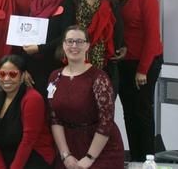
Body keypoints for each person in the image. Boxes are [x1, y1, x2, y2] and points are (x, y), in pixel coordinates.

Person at [112, 0, 163, 162]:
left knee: (142, 113)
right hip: (124, 62)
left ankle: (148, 161)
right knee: (128, 113)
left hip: (145, 62)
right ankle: (136, 159)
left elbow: (153, 34)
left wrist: (143, 69)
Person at [49, 26, 124, 168]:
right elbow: (54, 119)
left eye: (79, 41)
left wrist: (89, 158)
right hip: (68, 148)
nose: (74, 46)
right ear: (64, 45)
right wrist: (65, 155)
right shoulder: (54, 77)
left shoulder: (99, 78)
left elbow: (106, 122)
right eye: (70, 41)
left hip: (100, 149)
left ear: (87, 46)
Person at [63, 0, 125, 95]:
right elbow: (66, 32)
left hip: (106, 64)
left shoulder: (111, 2)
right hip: (76, 64)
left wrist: (119, 48)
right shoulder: (72, 3)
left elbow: (118, 30)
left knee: (104, 108)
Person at [0, 55, 55, 169]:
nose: (6, 79)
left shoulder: (33, 99)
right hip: (4, 156)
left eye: (13, 74)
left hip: (33, 155)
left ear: (22, 76)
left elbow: (28, 141)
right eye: (2, 74)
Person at [21, 0, 69, 97]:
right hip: (32, 66)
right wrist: (24, 68)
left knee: (52, 105)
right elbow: (26, 36)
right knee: (34, 106)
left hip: (54, 66)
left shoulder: (66, 2)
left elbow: (66, 36)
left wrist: (40, 48)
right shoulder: (34, 2)